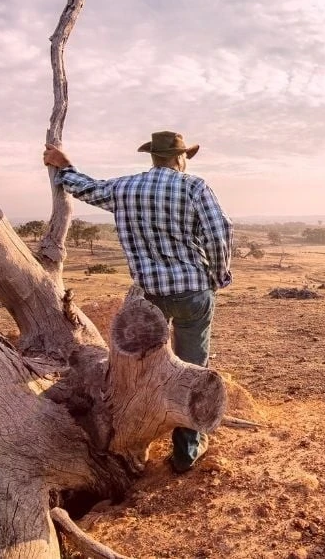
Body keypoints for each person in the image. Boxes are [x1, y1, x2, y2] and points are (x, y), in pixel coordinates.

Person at [43, 131, 232, 473]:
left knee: (148, 366)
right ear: (179, 158)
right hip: (192, 291)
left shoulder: (126, 188)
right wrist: (218, 276)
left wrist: (63, 166)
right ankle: (187, 451)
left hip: (150, 296)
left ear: (153, 157)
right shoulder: (194, 187)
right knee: (192, 364)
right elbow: (220, 232)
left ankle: (135, 432)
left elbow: (85, 188)